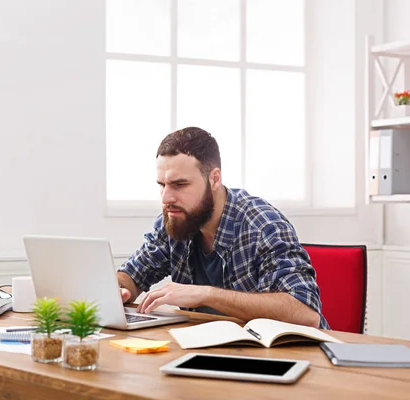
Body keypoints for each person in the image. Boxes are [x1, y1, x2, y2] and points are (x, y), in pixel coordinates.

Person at [116, 127, 329, 329]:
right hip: (212, 352)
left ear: (214, 179)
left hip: (291, 356)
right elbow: (132, 276)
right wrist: (118, 289)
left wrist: (206, 294)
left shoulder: (264, 225)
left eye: (179, 185)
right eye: (162, 185)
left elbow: (306, 314)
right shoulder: (176, 219)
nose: (166, 198)